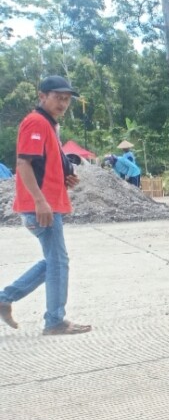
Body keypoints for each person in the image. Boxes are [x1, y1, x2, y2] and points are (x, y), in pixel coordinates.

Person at [0, 76, 92, 335]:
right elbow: (23, 164)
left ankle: (5, 298)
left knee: (55, 261)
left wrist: (65, 177)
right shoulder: (36, 122)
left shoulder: (49, 125)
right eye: (57, 97)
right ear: (42, 96)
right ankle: (54, 321)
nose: (63, 103)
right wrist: (40, 200)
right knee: (58, 262)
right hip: (40, 206)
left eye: (67, 99)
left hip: (48, 203)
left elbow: (44, 165)